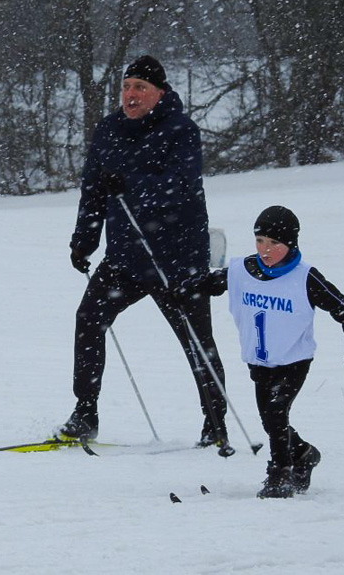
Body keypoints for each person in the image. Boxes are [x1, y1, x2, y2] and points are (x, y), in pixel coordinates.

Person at [58, 55, 231, 455]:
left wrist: (131, 183)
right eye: (126, 86)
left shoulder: (181, 130)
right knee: (88, 321)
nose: (130, 95)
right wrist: (84, 239)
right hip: (126, 257)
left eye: (140, 88)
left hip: (176, 259)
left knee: (196, 341)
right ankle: (85, 414)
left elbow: (180, 185)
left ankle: (216, 424)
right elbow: (94, 190)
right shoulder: (108, 131)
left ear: (160, 93)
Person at [176, 205, 344, 498]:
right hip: (259, 362)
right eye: (260, 241)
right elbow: (211, 283)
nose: (265, 249)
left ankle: (280, 473)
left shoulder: (306, 277)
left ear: (291, 243)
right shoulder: (242, 270)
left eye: (274, 243)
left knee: (275, 412)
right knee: (272, 421)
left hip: (294, 360)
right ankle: (304, 454)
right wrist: (185, 289)